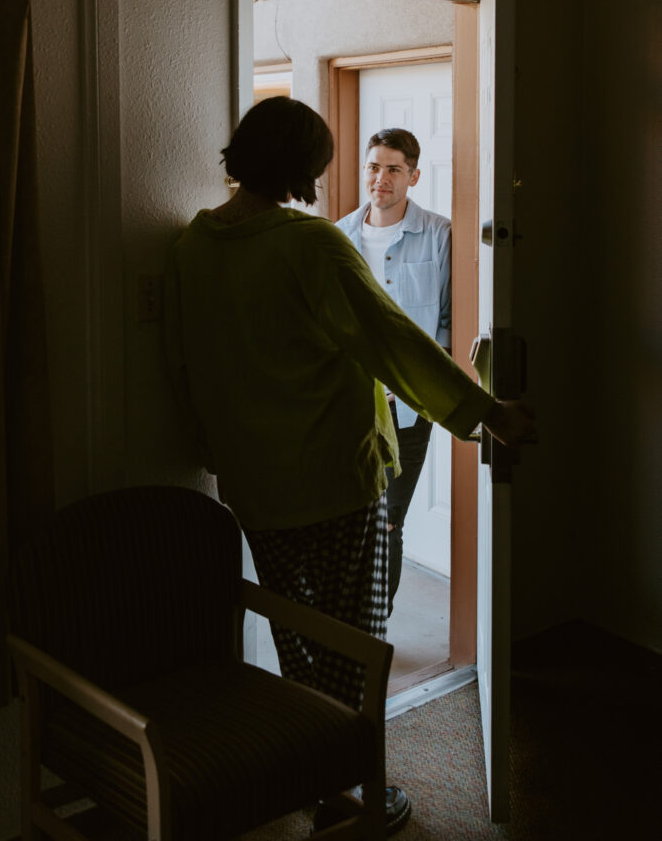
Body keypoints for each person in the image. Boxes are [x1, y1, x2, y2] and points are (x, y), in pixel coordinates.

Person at [165, 97, 534, 837]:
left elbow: (184, 361)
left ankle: (318, 778)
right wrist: (487, 414)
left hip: (255, 481)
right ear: (307, 167)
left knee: (300, 641)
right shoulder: (313, 245)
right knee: (355, 642)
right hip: (336, 477)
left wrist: (209, 449)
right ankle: (348, 790)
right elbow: (391, 342)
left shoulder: (192, 245)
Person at [336, 128, 450, 615]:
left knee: (387, 520)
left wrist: (415, 383)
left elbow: (446, 324)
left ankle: (375, 623)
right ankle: (348, 621)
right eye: (373, 166)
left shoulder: (441, 235)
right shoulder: (338, 236)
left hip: (409, 408)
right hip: (348, 405)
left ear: (414, 176)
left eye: (393, 169)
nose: (380, 178)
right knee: (348, 516)